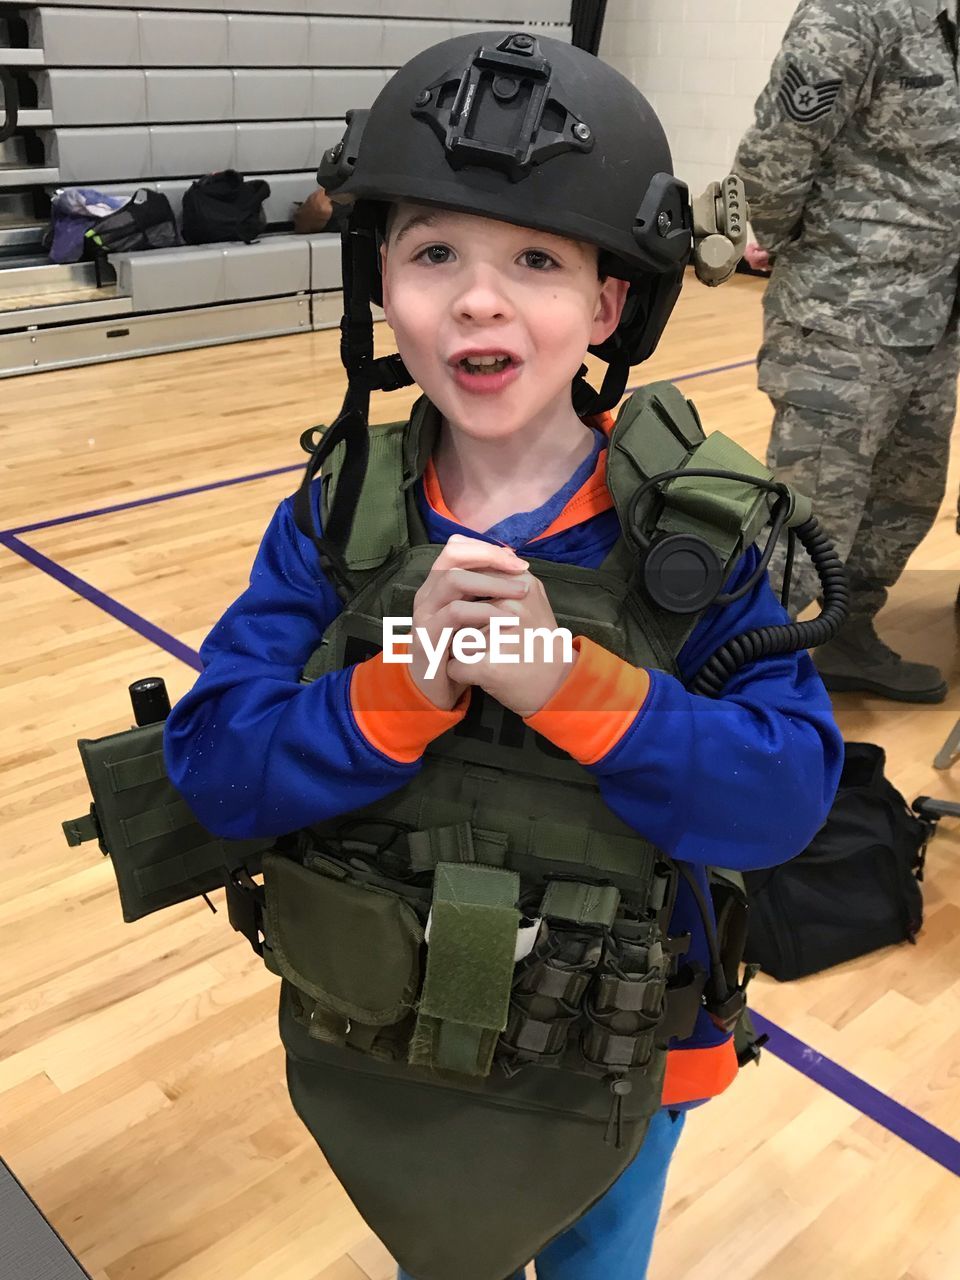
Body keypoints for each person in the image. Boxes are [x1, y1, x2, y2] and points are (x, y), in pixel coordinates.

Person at [163, 31, 843, 1280]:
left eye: (535, 258)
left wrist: (570, 686)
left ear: (608, 303)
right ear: (384, 285)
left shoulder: (689, 537)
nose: (479, 298)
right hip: (393, 1046)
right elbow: (213, 762)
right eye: (434, 253)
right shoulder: (339, 514)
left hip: (621, 1052)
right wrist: (401, 692)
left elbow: (787, 791)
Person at [734, 0, 960, 703]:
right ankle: (742, 673)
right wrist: (815, 253)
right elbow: (775, 152)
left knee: (904, 501)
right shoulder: (857, 10)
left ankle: (843, 640)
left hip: (936, 321)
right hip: (845, 317)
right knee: (809, 520)